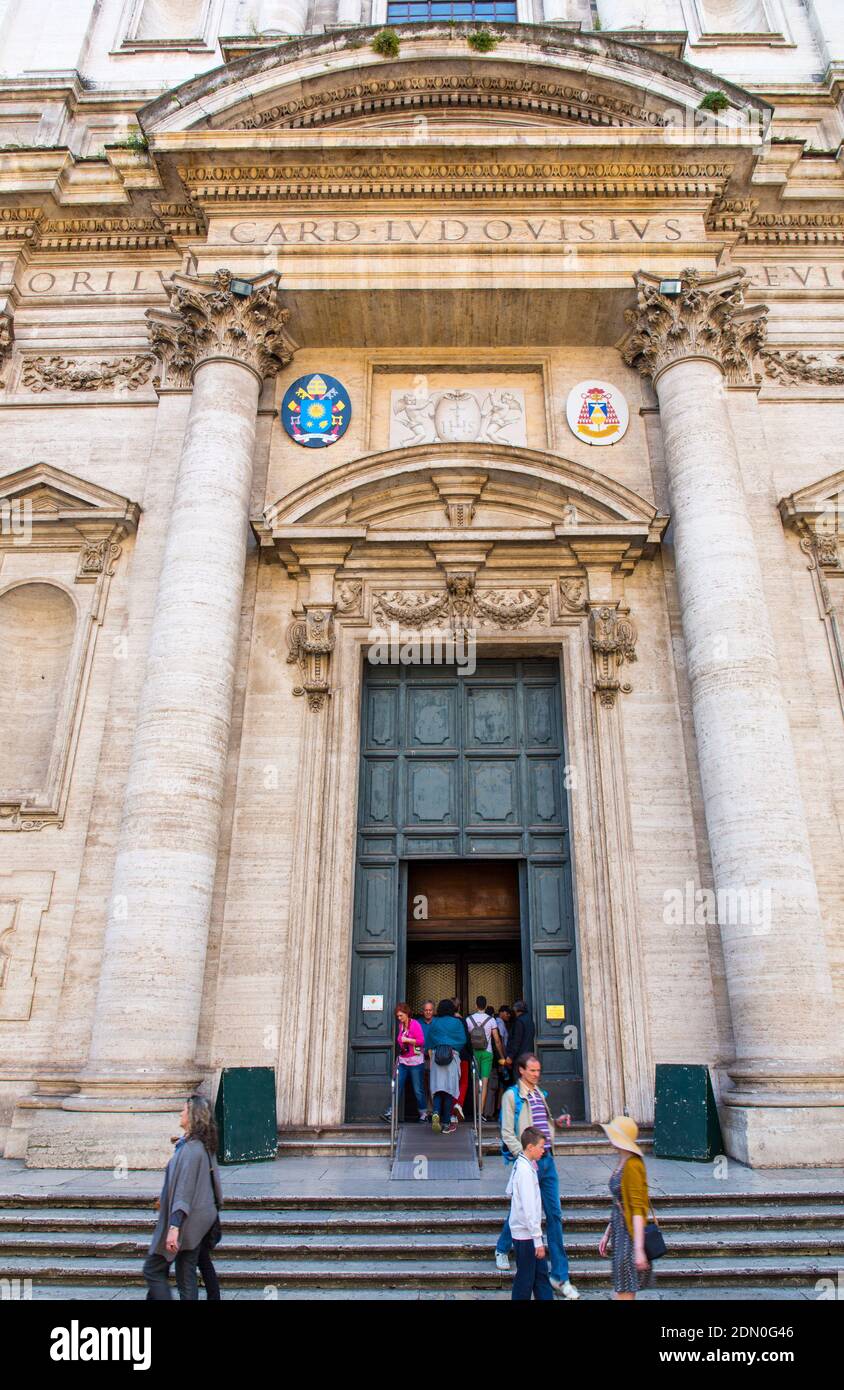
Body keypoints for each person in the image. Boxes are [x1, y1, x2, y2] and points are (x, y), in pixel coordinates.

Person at [495, 1053, 579, 1300]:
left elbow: (543, 1125)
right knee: (520, 1210)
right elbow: (507, 1132)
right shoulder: (512, 1096)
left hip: (547, 1160)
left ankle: (560, 1275)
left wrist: (558, 1124)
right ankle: (502, 1248)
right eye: (532, 1070)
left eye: (538, 1070)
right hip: (529, 1161)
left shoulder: (539, 1094)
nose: (536, 1074)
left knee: (554, 1214)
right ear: (521, 1070)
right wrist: (523, 1156)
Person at [144, 1094, 223, 1300]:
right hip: (201, 1219)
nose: (180, 1113)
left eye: (184, 1110)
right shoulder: (203, 1146)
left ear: (193, 1116)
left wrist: (174, 1227)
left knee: (157, 1270)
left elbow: (184, 1191)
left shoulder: (190, 1150)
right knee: (192, 1266)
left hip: (188, 1220)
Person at [599, 1115, 652, 1300]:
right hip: (620, 1234)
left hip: (629, 1238)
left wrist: (638, 1249)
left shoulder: (633, 1165)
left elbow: (638, 1209)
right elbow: (619, 1203)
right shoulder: (623, 1161)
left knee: (625, 1291)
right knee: (622, 1290)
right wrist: (608, 1233)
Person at [507, 1126, 554, 1301]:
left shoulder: (523, 1165)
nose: (543, 1150)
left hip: (527, 1234)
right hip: (526, 1235)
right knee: (526, 1280)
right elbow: (529, 1209)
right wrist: (537, 1240)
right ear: (530, 1147)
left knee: (540, 1278)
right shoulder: (525, 1171)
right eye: (541, 1146)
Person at [426, 998, 466, 1134]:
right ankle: (446, 1121)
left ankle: (436, 1112)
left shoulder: (435, 1023)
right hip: (452, 1058)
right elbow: (462, 1040)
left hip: (437, 1058)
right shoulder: (457, 1023)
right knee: (449, 1090)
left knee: (438, 1089)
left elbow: (429, 1041)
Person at [465, 994, 500, 1118]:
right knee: (484, 1083)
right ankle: (480, 1113)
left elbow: (466, 1038)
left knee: (475, 1082)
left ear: (475, 1005)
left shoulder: (469, 1019)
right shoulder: (491, 1020)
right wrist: (501, 1054)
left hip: (474, 1053)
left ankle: (475, 1111)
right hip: (487, 1053)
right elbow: (496, 1040)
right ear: (486, 1005)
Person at [395, 1002, 428, 1122]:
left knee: (418, 1089)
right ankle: (391, 1112)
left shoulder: (415, 1024)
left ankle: (423, 1114)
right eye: (398, 1016)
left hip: (415, 1062)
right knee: (397, 1085)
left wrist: (407, 1040)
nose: (399, 1018)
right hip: (403, 1061)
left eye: (401, 1015)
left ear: (407, 1014)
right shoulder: (401, 1025)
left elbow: (421, 1041)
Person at [450, 995, 472, 1121]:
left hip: (450, 1055)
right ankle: (458, 1104)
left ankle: (452, 1112)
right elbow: (467, 1040)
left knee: (452, 1083)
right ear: (459, 1007)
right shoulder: (462, 1021)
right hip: (462, 1054)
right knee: (463, 1082)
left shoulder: (445, 1020)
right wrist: (471, 1053)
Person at [416, 999, 436, 1116]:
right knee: (422, 1087)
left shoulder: (437, 1023)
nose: (428, 1012)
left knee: (433, 1086)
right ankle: (424, 1112)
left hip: (435, 1060)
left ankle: (433, 1111)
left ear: (433, 1011)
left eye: (430, 1010)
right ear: (422, 1011)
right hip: (420, 1059)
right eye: (426, 1010)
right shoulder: (417, 1023)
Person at [504, 1000, 535, 1069]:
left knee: (519, 1077)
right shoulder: (529, 1019)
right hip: (529, 1055)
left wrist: (511, 1056)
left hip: (520, 1056)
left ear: (516, 1009)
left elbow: (516, 1041)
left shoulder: (519, 1021)